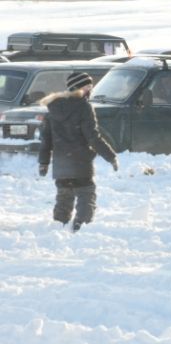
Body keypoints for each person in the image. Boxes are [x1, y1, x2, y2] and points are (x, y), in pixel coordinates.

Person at [38, 71, 119, 232]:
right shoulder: (84, 107)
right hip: (81, 163)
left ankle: (58, 227)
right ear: (78, 88)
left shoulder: (53, 107)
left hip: (61, 164)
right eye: (88, 87)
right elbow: (93, 137)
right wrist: (111, 156)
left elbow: (46, 139)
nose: (91, 90)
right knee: (86, 195)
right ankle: (81, 227)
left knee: (64, 198)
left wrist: (44, 162)